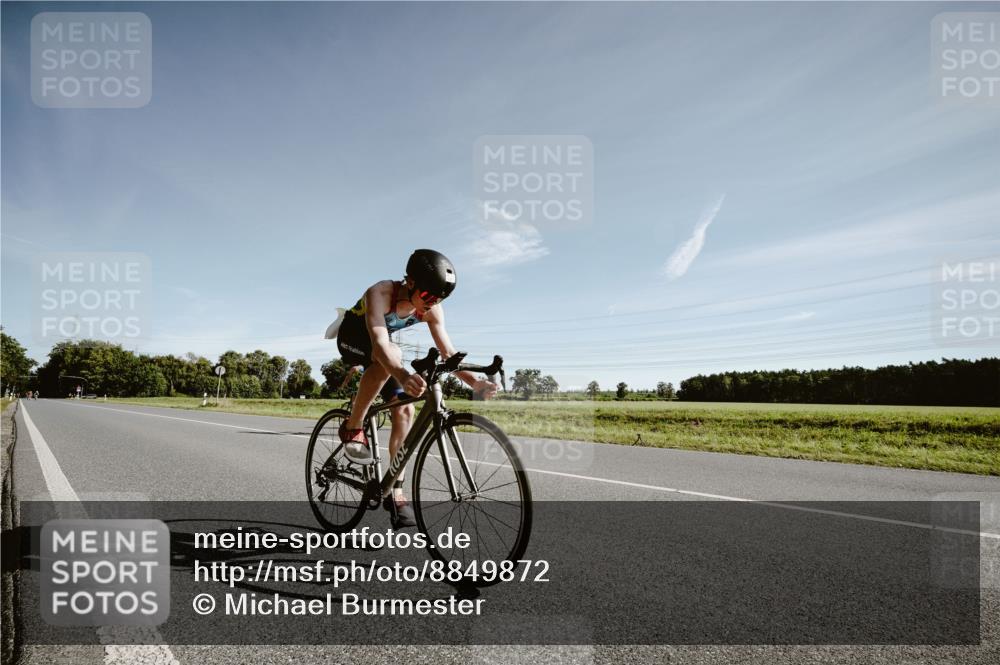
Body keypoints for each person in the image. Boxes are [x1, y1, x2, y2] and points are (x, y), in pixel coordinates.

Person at [331, 249, 497, 528]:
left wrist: (475, 383)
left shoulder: (432, 307)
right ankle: (354, 425)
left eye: (441, 299)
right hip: (354, 340)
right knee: (391, 353)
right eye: (429, 297)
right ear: (410, 282)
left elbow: (448, 352)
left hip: (382, 351)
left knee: (406, 410)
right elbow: (380, 345)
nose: (432, 304)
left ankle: (395, 489)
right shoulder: (380, 293)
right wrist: (403, 373)